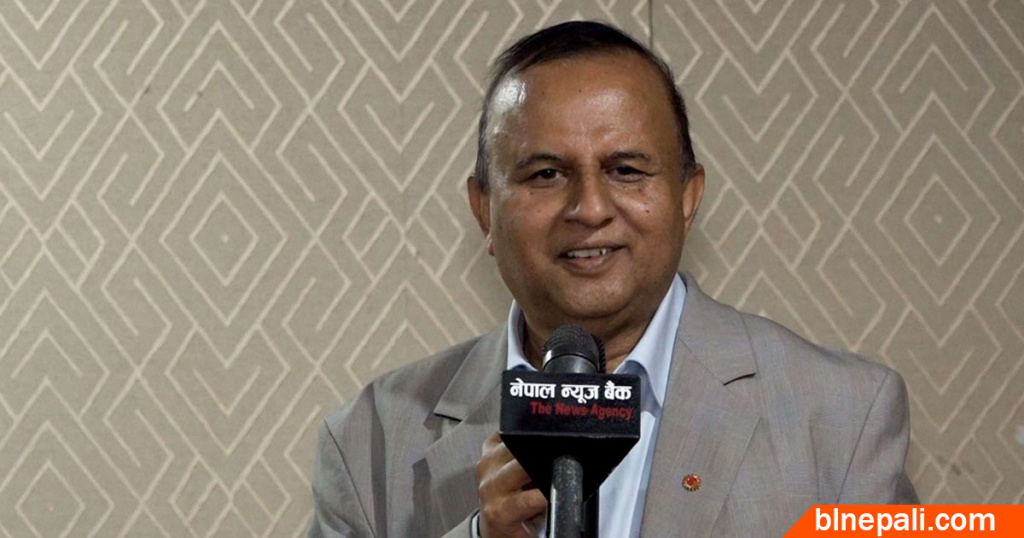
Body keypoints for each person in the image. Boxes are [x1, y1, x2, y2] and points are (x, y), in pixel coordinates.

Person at [307, 21, 918, 538]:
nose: (590, 208)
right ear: (484, 210)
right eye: (546, 174)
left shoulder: (843, 418)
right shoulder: (369, 440)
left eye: (626, 170)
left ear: (687, 198)